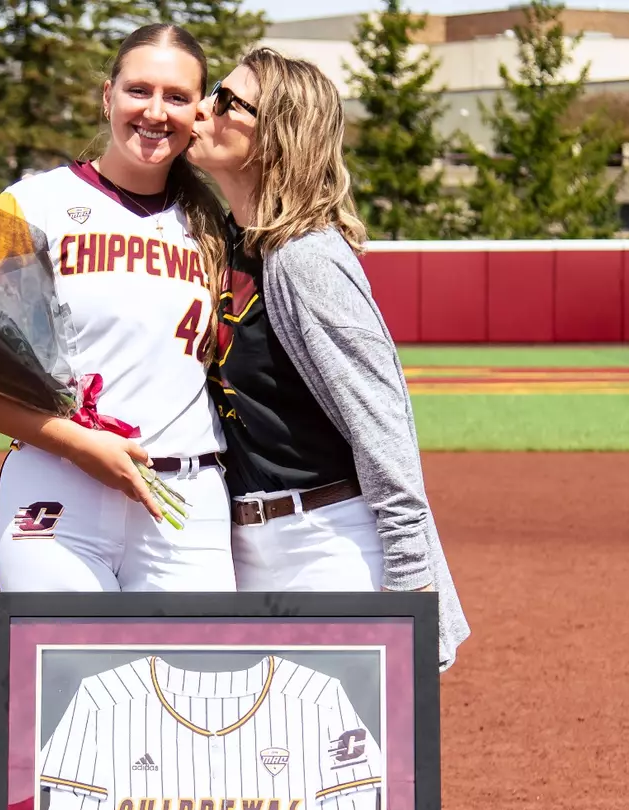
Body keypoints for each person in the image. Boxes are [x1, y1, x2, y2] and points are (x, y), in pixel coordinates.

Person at [187, 48, 469, 669]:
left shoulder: (305, 259)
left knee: (350, 760)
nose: (203, 107)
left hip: (328, 548)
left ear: (277, 137)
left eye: (227, 101)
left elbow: (383, 426)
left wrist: (411, 582)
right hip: (249, 548)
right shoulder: (228, 245)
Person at [0, 24, 234, 593]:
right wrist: (80, 443)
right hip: (59, 486)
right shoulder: (32, 206)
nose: (155, 111)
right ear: (107, 97)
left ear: (199, 111)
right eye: (138, 91)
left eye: (177, 97)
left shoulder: (217, 229)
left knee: (195, 683)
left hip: (186, 501)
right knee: (60, 679)